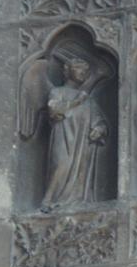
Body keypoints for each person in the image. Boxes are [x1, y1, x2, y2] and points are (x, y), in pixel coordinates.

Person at [41, 54, 109, 209]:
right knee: (60, 164)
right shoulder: (58, 92)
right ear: (67, 70)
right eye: (78, 68)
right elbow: (54, 110)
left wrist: (99, 129)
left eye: (85, 71)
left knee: (80, 171)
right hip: (63, 135)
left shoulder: (89, 100)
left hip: (82, 142)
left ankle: (75, 202)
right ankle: (48, 201)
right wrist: (77, 101)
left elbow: (99, 120)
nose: (82, 73)